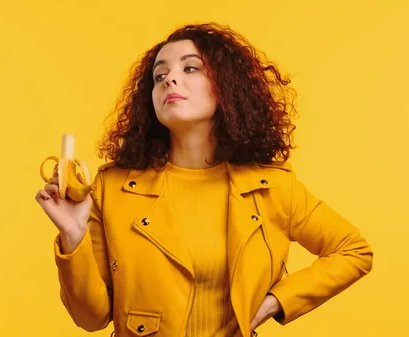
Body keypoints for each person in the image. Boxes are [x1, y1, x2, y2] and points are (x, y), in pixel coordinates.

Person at [35, 22, 373, 337]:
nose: (169, 79)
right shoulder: (112, 188)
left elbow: (353, 251)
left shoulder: (273, 188)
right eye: (159, 75)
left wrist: (278, 301)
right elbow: (91, 318)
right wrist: (73, 234)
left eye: (190, 68)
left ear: (226, 84)